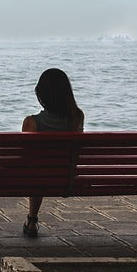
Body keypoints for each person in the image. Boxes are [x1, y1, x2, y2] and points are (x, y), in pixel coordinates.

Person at [21, 67, 85, 238]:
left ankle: (32, 220)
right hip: (67, 178)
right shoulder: (77, 117)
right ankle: (32, 220)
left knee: (36, 171)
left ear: (41, 95)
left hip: (38, 178)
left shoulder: (31, 123)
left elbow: (27, 158)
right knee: (39, 171)